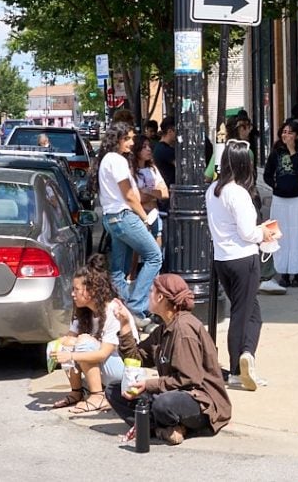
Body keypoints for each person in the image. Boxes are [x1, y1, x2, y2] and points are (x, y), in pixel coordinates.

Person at [106, 274, 231, 446]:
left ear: (160, 297)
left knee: (162, 404)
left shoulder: (184, 329)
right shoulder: (163, 329)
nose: (148, 296)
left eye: (151, 291)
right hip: (173, 392)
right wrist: (125, 325)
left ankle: (169, 427)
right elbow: (136, 358)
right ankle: (162, 428)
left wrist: (149, 385)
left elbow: (189, 379)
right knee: (114, 390)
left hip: (201, 402)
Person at [205, 139, 279, 391]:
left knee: (250, 311)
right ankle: (238, 366)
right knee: (242, 313)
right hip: (244, 258)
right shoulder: (238, 193)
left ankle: (247, 355)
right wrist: (265, 233)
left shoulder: (213, 189)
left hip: (222, 259)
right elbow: (248, 233)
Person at [49, 255, 138, 414]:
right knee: (67, 343)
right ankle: (77, 392)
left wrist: (71, 356)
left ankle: (97, 395)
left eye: (76, 289)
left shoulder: (113, 310)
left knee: (83, 341)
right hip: (105, 369)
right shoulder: (82, 312)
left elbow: (103, 353)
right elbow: (69, 338)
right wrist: (57, 346)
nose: (72, 294)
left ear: (91, 291)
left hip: (124, 371)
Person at [96, 122, 163, 330]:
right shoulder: (117, 160)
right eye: (129, 139)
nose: (132, 143)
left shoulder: (107, 159)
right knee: (154, 256)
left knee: (119, 268)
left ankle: (123, 308)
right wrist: (144, 217)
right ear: (118, 139)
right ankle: (136, 306)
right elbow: (129, 195)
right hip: (125, 216)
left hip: (112, 218)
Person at [261, 120, 298, 292]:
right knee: (279, 235)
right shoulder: (276, 151)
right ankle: (283, 273)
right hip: (279, 199)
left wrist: (292, 151)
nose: (286, 135)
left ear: (297, 135)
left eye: (290, 132)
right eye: (284, 132)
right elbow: (268, 173)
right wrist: (275, 186)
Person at [133, 135, 168, 248]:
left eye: (149, 146)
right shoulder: (131, 171)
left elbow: (165, 193)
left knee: (157, 252)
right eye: (144, 147)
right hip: (138, 216)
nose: (148, 149)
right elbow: (137, 198)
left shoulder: (152, 169)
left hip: (154, 214)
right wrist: (154, 194)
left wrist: (147, 191)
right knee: (137, 253)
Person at [153, 116, 176, 214]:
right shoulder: (165, 150)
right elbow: (181, 167)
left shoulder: (159, 147)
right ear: (170, 131)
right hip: (168, 193)